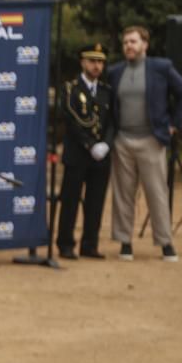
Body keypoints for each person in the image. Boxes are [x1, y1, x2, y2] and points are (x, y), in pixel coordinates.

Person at [105, 25, 182, 262]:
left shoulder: (161, 68)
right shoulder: (115, 71)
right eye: (125, 43)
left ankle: (165, 243)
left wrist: (173, 125)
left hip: (152, 140)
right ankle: (125, 242)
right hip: (123, 140)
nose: (128, 46)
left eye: (133, 42)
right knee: (123, 194)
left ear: (145, 44)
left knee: (157, 193)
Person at [57, 43, 113, 259]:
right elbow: (71, 120)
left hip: (101, 156)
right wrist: (90, 145)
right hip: (78, 153)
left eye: (100, 62)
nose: (96, 66)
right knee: (70, 200)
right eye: (92, 61)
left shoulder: (106, 91)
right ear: (83, 62)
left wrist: (106, 144)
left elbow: (112, 122)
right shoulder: (71, 89)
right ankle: (65, 243)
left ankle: (90, 244)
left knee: (95, 202)